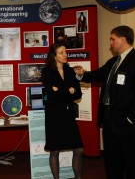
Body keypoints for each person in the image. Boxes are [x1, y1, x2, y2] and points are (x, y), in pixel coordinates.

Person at [74, 25, 135, 179]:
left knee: (131, 161)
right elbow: (96, 75)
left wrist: (131, 119)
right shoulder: (113, 62)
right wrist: (81, 74)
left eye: (112, 39)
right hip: (109, 119)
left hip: (125, 122)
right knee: (111, 159)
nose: (110, 43)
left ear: (123, 40)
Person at [41, 42, 84, 179]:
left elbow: (78, 94)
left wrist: (60, 91)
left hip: (68, 114)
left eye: (66, 52)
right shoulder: (47, 72)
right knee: (54, 151)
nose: (65, 55)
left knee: (79, 149)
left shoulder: (71, 71)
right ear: (54, 56)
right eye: (61, 52)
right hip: (54, 115)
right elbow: (51, 95)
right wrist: (68, 90)